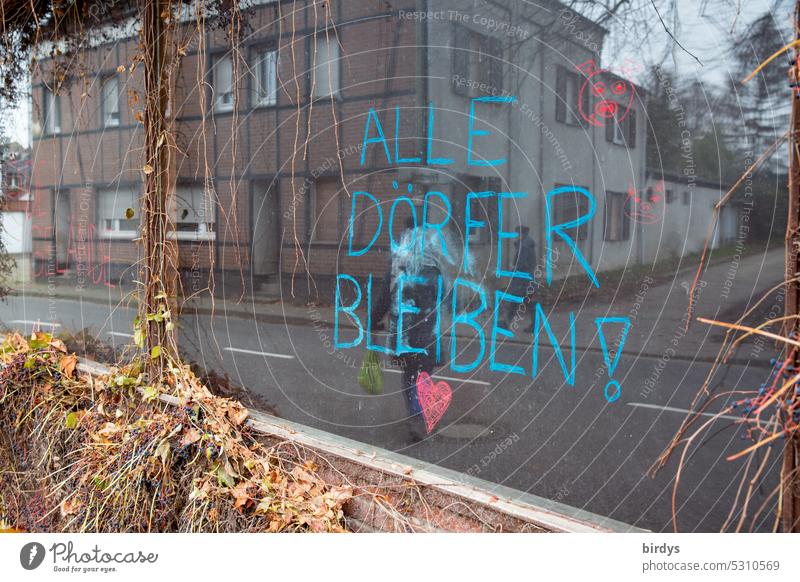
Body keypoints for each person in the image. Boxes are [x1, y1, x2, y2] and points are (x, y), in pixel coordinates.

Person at [371, 216, 442, 442]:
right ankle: (420, 413)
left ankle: (416, 416)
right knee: (423, 372)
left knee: (410, 374)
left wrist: (374, 319)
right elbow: (445, 294)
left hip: (403, 331)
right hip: (427, 329)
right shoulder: (434, 261)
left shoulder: (398, 261)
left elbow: (385, 292)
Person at [500, 225, 537, 328]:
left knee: (515, 301)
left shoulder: (524, 246)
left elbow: (521, 264)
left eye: (518, 233)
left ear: (523, 234)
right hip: (527, 278)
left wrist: (513, 269)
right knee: (527, 302)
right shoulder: (527, 244)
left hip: (522, 279)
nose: (517, 235)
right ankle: (534, 324)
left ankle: (506, 323)